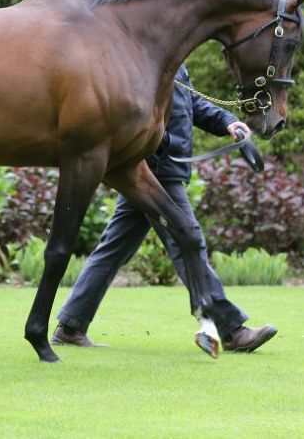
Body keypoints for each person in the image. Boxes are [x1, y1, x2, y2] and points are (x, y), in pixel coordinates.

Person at [51, 63, 277, 353]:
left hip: (157, 169)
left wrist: (227, 122)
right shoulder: (146, 61)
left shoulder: (174, 63)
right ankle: (231, 329)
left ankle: (71, 326)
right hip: (156, 172)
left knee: (114, 248)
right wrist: (160, 144)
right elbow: (137, 110)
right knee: (187, 242)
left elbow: (190, 103)